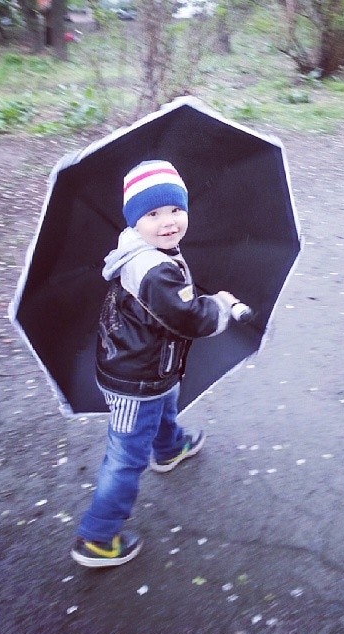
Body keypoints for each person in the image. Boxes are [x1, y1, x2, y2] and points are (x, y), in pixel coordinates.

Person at [71, 160, 238, 568]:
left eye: (176, 209)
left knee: (165, 404)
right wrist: (220, 306)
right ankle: (98, 537)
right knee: (126, 455)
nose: (168, 222)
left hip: (150, 368)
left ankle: (169, 448)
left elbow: (172, 303)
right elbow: (188, 318)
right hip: (135, 378)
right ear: (135, 219)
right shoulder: (152, 269)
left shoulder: (147, 249)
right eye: (153, 214)